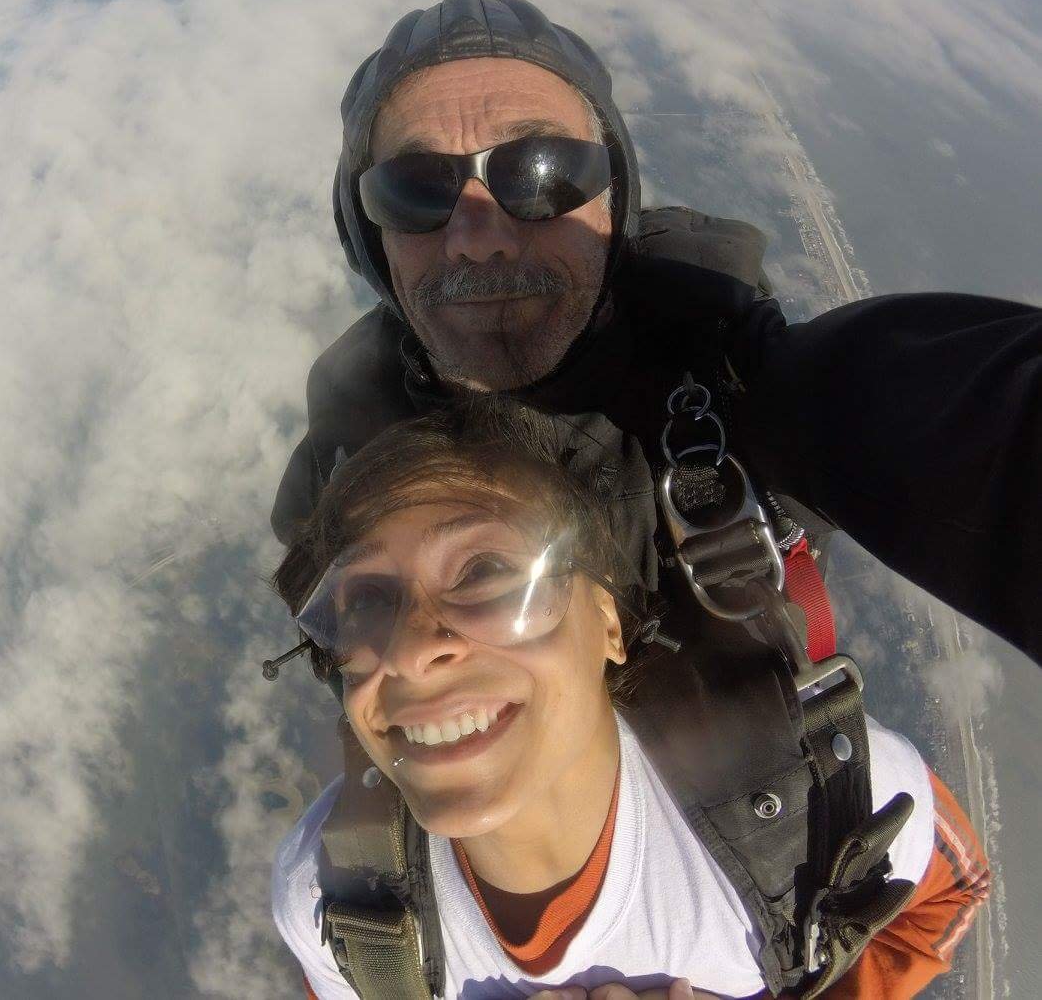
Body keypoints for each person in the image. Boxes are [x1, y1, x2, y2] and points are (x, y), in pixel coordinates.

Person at [270, 0, 1042, 664]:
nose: (481, 236)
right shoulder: (348, 430)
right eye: (415, 188)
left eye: (544, 171)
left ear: (615, 199)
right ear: (371, 237)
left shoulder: (742, 385)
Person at [269, 403, 990, 999]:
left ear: (609, 621)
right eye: (364, 600)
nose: (408, 650)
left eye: (486, 569)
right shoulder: (337, 906)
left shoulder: (816, 796)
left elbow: (945, 891)